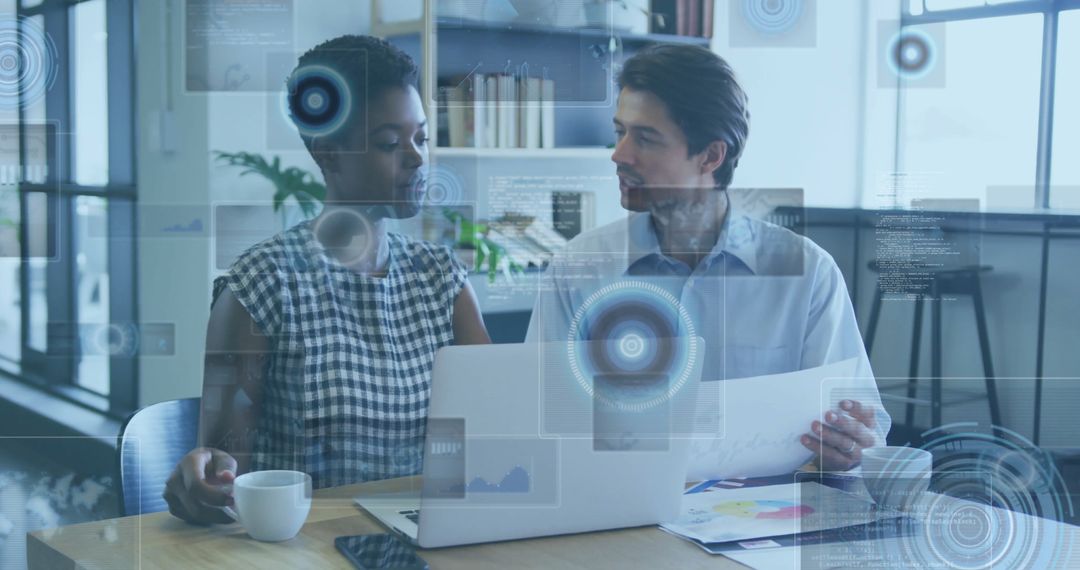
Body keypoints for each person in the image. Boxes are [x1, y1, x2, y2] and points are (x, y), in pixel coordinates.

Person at [164, 35, 490, 525]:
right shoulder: (261, 286)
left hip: (430, 540)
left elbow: (497, 429)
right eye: (389, 143)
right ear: (328, 154)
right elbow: (226, 466)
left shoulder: (442, 280)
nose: (418, 158)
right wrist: (209, 478)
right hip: (309, 549)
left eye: (421, 137)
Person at [526, 44, 890, 473]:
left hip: (762, 519)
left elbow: (865, 429)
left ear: (711, 156)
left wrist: (850, 445)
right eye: (620, 131)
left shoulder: (807, 274)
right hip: (618, 515)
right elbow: (537, 416)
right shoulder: (578, 268)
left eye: (645, 138)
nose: (619, 154)